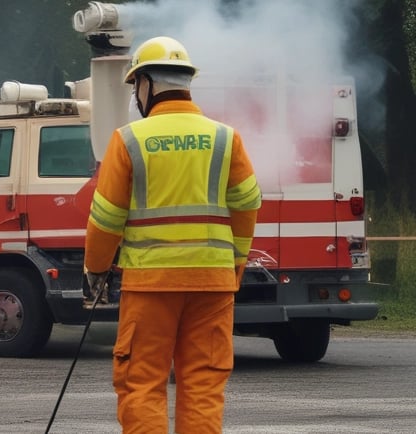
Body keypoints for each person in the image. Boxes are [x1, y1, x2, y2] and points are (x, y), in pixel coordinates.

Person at [83, 36, 262, 433]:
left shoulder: (129, 140)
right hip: (213, 285)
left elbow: (107, 218)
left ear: (146, 84)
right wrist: (235, 262)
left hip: (151, 285)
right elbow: (248, 203)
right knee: (203, 384)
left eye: (135, 87)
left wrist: (95, 269)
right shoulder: (224, 138)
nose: (135, 96)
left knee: (141, 382)